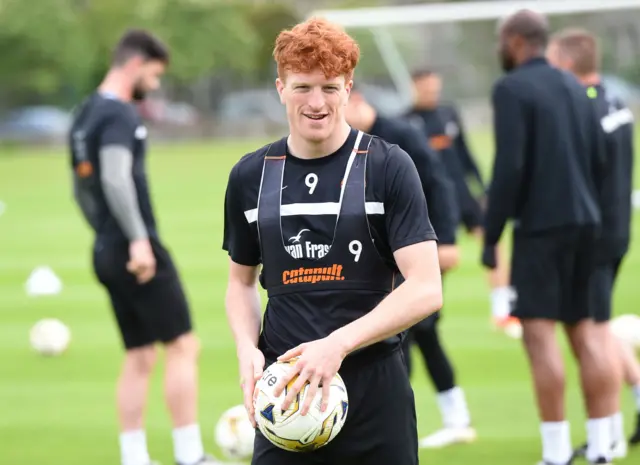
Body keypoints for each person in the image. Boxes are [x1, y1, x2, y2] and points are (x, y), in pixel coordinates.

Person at [222, 17, 443, 465]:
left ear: (349, 88)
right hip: (285, 396)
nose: (316, 102)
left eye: (329, 87)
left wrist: (337, 344)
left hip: (374, 394)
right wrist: (247, 348)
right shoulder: (250, 175)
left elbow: (425, 288)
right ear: (280, 88)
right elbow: (241, 283)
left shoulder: (388, 166)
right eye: (303, 87)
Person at [68, 29, 218, 465]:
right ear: (135, 65)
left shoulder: (84, 113)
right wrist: (136, 239)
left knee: (139, 354)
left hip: (104, 246)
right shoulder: (119, 115)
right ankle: (190, 456)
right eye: (152, 76)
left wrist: (107, 234)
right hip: (136, 249)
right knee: (183, 346)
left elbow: (82, 189)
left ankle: (134, 457)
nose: (153, 86)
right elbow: (114, 177)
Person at [483, 9, 615, 465]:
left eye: (501, 40)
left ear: (517, 41)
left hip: (541, 228)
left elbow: (509, 167)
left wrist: (491, 234)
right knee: (587, 334)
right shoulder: (575, 87)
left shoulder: (511, 88)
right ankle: (601, 447)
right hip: (587, 223)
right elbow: (599, 159)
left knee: (539, 336)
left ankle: (556, 454)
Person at [345, 87, 476, 449]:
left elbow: (440, 184)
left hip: (419, 248)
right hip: (383, 255)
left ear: (356, 101)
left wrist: (445, 240)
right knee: (422, 334)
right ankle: (455, 416)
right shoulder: (350, 143)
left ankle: (395, 424)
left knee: (406, 332)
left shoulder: (402, 135)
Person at [546, 27, 637, 459]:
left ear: (566, 62)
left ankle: (611, 436)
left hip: (592, 238)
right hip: (616, 231)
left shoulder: (580, 109)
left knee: (592, 336)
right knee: (594, 330)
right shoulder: (615, 102)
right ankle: (615, 430)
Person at [405, 69, 517, 333]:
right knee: (435, 258)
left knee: (492, 239)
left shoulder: (448, 113)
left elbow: (465, 153)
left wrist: (482, 188)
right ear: (415, 87)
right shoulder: (406, 121)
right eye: (426, 88)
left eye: (435, 88)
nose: (432, 93)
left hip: (463, 194)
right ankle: (427, 314)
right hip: (433, 200)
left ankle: (503, 308)